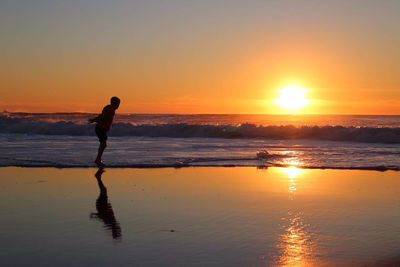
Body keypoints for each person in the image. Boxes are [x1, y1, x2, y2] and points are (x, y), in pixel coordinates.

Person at [90, 168, 122, 240]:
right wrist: (94, 215)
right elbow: (102, 217)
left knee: (104, 190)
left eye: (118, 229)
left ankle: (98, 176)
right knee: (104, 190)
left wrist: (94, 215)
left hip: (101, 205)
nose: (119, 226)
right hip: (102, 204)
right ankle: (98, 176)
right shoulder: (111, 223)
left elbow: (101, 216)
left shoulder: (110, 223)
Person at [89, 96, 120, 168]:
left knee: (103, 144)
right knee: (103, 144)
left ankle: (98, 159)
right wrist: (94, 120)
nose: (119, 105)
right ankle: (98, 159)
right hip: (100, 128)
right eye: (118, 103)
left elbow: (102, 116)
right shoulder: (110, 109)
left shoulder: (110, 108)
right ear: (114, 103)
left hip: (101, 128)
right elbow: (103, 117)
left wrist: (95, 119)